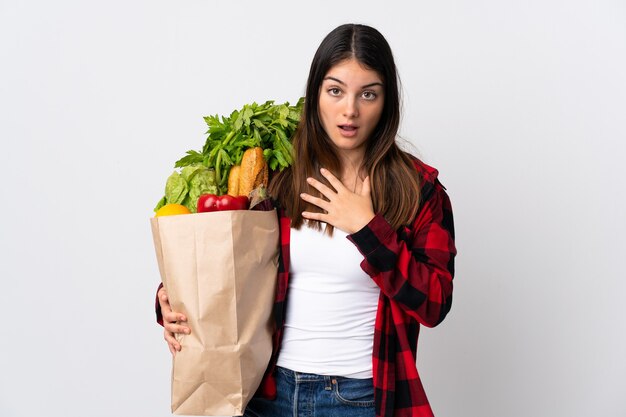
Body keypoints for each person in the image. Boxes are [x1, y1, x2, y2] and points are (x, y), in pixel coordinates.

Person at [156, 23, 456, 417]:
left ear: (387, 101)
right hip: (266, 391)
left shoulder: (419, 189)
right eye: (335, 91)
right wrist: (170, 300)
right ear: (315, 94)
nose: (350, 109)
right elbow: (224, 259)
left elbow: (434, 303)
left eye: (368, 94)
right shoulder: (277, 176)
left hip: (360, 397)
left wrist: (367, 229)